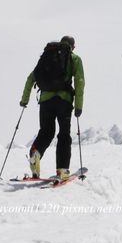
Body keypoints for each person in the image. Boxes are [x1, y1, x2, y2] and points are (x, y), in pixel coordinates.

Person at [19, 36, 85, 180]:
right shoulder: (74, 59)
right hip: (64, 101)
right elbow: (79, 82)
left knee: (46, 132)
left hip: (45, 101)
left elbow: (31, 78)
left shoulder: (48, 56)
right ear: (72, 47)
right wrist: (79, 106)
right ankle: (62, 170)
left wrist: (24, 100)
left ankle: (36, 153)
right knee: (63, 135)